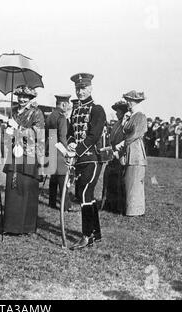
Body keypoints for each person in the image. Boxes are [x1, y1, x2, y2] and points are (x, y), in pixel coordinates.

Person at [67, 73, 106, 249]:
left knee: (83, 194)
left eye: (83, 88)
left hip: (92, 159)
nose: (80, 92)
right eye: (77, 88)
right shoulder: (75, 110)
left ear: (90, 88)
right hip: (79, 160)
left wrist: (78, 150)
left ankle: (86, 236)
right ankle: (95, 233)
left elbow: (94, 135)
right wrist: (70, 146)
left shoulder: (97, 109)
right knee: (86, 196)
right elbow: (70, 133)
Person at [3, 85, 45, 235]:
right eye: (19, 96)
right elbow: (10, 134)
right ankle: (11, 226)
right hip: (14, 154)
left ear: (31, 98)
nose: (21, 99)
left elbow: (38, 135)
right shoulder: (14, 111)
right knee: (13, 189)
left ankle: (26, 227)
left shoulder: (37, 113)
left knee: (27, 189)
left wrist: (18, 128)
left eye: (25, 97)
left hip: (30, 155)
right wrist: (8, 130)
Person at [114, 90, 147, 217]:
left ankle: (135, 211)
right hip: (130, 151)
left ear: (135, 101)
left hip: (136, 152)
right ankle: (132, 209)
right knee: (129, 180)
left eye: (129, 100)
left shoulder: (140, 116)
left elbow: (134, 135)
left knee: (133, 181)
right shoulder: (132, 116)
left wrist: (121, 144)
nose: (127, 102)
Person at [46, 94, 72, 211]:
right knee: (63, 178)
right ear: (63, 104)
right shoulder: (61, 117)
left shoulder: (50, 116)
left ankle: (51, 203)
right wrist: (66, 152)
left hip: (51, 148)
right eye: (68, 104)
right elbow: (62, 137)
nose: (69, 107)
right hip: (59, 150)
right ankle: (65, 206)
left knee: (53, 178)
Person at [102, 101, 128, 214]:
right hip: (112, 155)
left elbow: (126, 140)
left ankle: (118, 206)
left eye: (118, 111)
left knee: (118, 182)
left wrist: (118, 151)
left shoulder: (126, 124)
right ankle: (108, 203)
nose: (116, 113)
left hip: (120, 155)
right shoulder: (117, 124)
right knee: (109, 179)